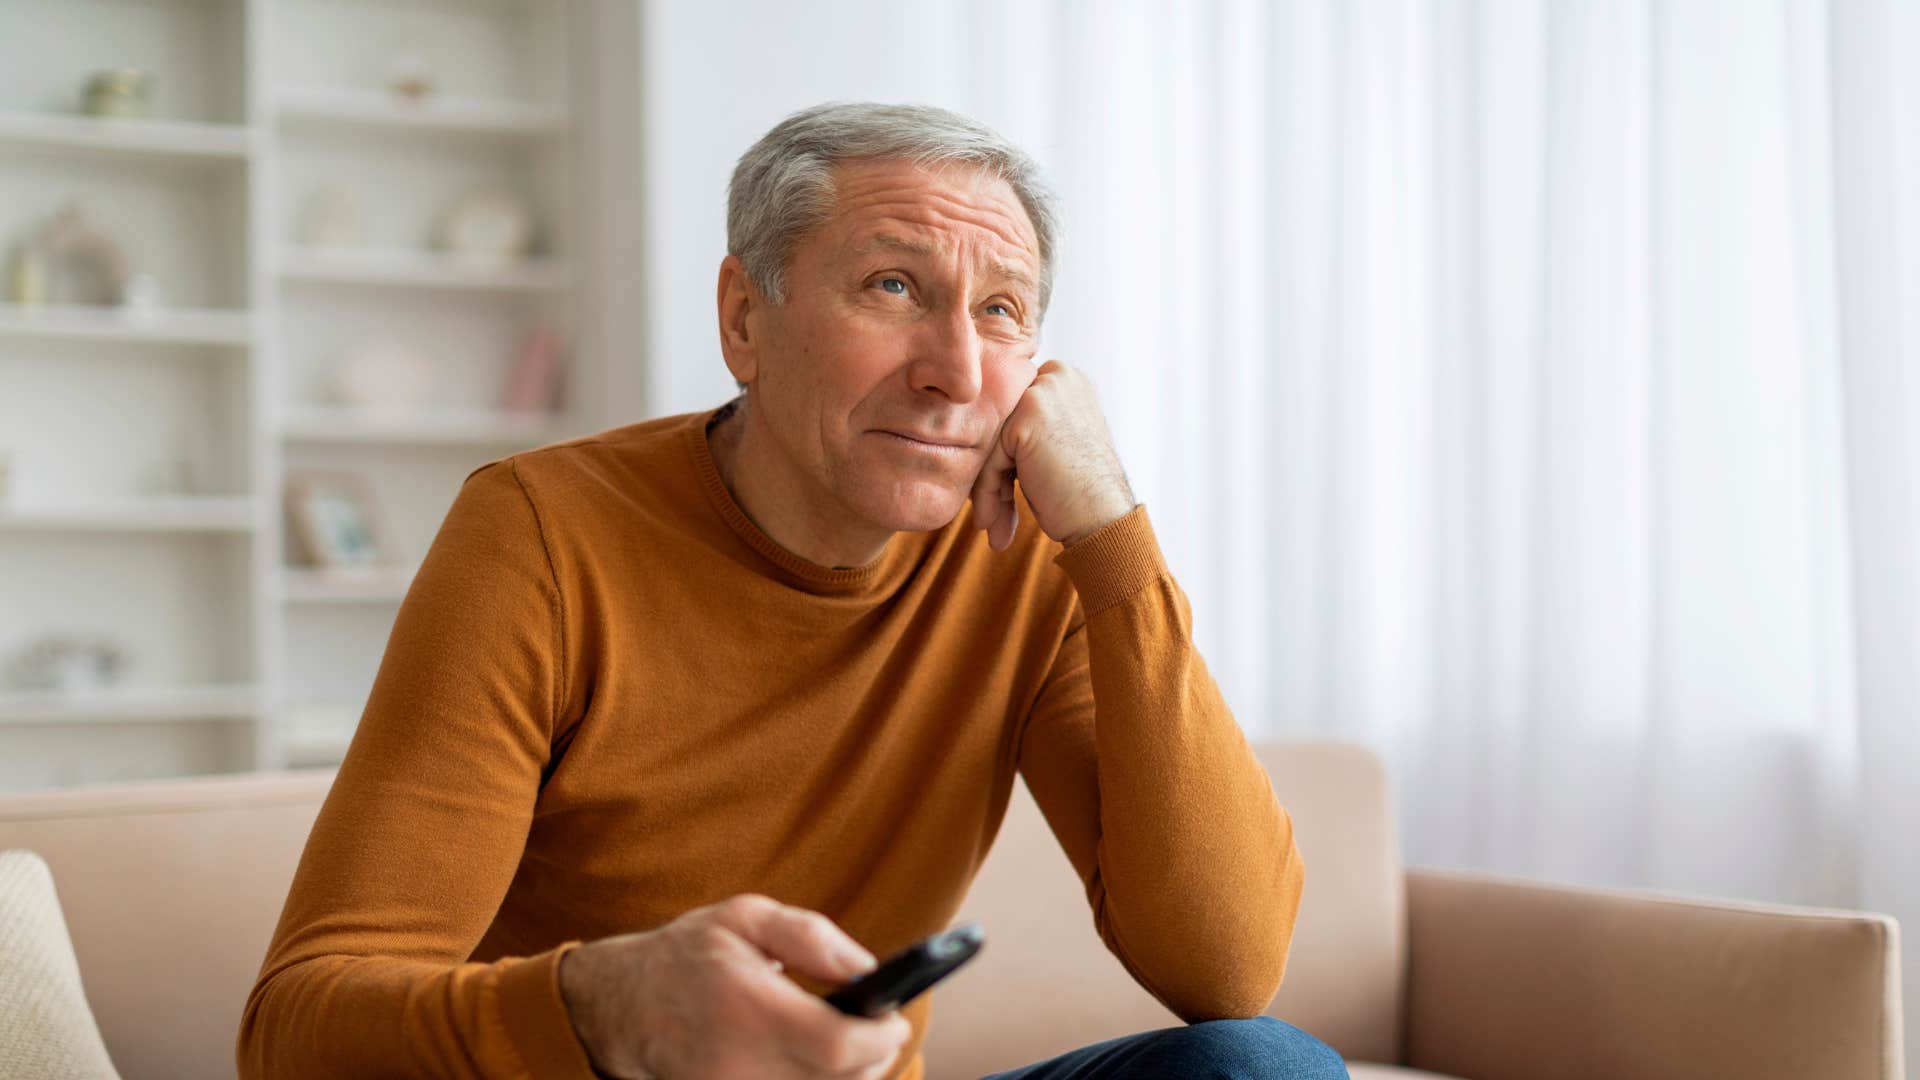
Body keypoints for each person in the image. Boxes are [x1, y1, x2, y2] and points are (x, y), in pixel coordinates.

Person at [238, 102, 1346, 1080]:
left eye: (1003, 311)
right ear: (743, 321)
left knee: (1261, 1067)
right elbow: (295, 1033)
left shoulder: (1033, 558)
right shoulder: (541, 533)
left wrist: (1109, 526)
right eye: (894, 286)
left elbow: (1228, 966)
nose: (957, 371)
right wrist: (608, 1010)